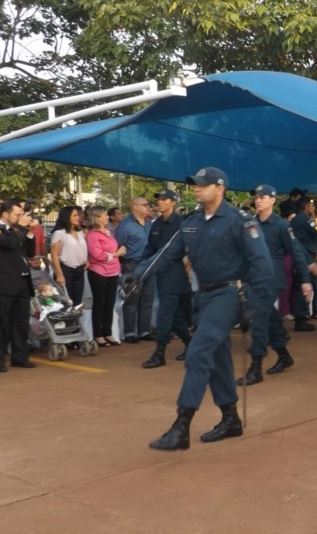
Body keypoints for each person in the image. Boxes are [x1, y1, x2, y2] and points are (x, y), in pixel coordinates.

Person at [136, 167, 273, 451]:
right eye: (194, 185)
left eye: (203, 185)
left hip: (230, 294)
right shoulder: (192, 222)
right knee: (217, 357)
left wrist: (255, 306)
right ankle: (231, 418)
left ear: (219, 188)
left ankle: (181, 426)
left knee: (198, 352)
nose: (196, 189)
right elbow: (168, 255)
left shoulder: (239, 221)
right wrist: (138, 273)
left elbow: (262, 264)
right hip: (205, 296)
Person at [237, 185, 313, 384]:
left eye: (263, 197)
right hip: (253, 279)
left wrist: (305, 280)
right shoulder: (250, 224)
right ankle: (284, 355)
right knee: (270, 319)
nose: (258, 200)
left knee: (258, 321)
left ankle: (256, 368)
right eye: (256, 197)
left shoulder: (281, 226)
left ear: (273, 200)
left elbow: (296, 253)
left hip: (271, 280)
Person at [141, 190, 194, 369]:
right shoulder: (156, 225)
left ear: (173, 203)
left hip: (175, 274)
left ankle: (160, 353)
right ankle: (191, 343)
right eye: (158, 199)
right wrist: (141, 269)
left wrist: (188, 267)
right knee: (175, 316)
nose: (160, 202)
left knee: (165, 314)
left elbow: (189, 249)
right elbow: (149, 249)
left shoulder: (181, 223)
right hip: (160, 273)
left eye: (164, 200)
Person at [0, 200, 39, 372]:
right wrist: (23, 228)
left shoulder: (17, 229)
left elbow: (29, 252)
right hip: (2, 283)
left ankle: (20, 357)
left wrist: (30, 233)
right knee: (0, 323)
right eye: (17, 214)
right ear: (5, 214)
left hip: (22, 281)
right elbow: (8, 244)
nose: (20, 217)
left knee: (21, 322)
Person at [116, 197, 155, 343]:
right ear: (134, 207)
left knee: (147, 299)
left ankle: (144, 330)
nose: (148, 207)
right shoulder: (125, 226)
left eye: (148, 205)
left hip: (149, 264)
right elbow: (119, 245)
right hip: (132, 264)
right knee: (132, 299)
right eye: (145, 205)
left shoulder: (150, 224)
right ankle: (129, 332)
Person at [85, 206, 125, 347]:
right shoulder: (92, 235)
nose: (107, 217)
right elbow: (97, 255)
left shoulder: (108, 233)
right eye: (104, 215)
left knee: (109, 303)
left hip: (113, 271)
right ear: (97, 218)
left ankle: (108, 332)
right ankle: (98, 334)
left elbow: (112, 250)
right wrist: (116, 254)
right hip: (98, 272)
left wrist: (117, 253)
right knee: (100, 303)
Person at [290, 197, 317, 331]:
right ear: (307, 206)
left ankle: (302, 315)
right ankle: (302, 317)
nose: (313, 208)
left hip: (301, 255)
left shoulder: (295, 219)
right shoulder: (305, 219)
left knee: (301, 286)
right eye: (312, 206)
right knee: (306, 285)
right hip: (307, 255)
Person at [50, 206, 88, 308]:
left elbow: (81, 248)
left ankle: (76, 323)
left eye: (78, 215)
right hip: (66, 270)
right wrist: (59, 274)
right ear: (67, 217)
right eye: (74, 215)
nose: (78, 218)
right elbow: (54, 255)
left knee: (77, 303)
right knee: (67, 302)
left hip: (79, 270)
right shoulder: (59, 233)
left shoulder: (80, 233)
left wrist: (86, 260)